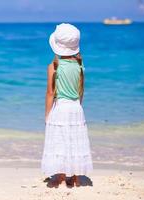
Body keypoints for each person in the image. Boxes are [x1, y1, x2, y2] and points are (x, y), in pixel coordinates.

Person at [41, 23, 93, 187]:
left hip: (61, 108)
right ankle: (74, 177)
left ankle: (61, 175)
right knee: (74, 141)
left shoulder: (53, 66)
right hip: (76, 107)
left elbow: (50, 93)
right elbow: (81, 90)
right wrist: (78, 106)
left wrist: (47, 115)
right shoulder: (80, 66)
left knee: (60, 141)